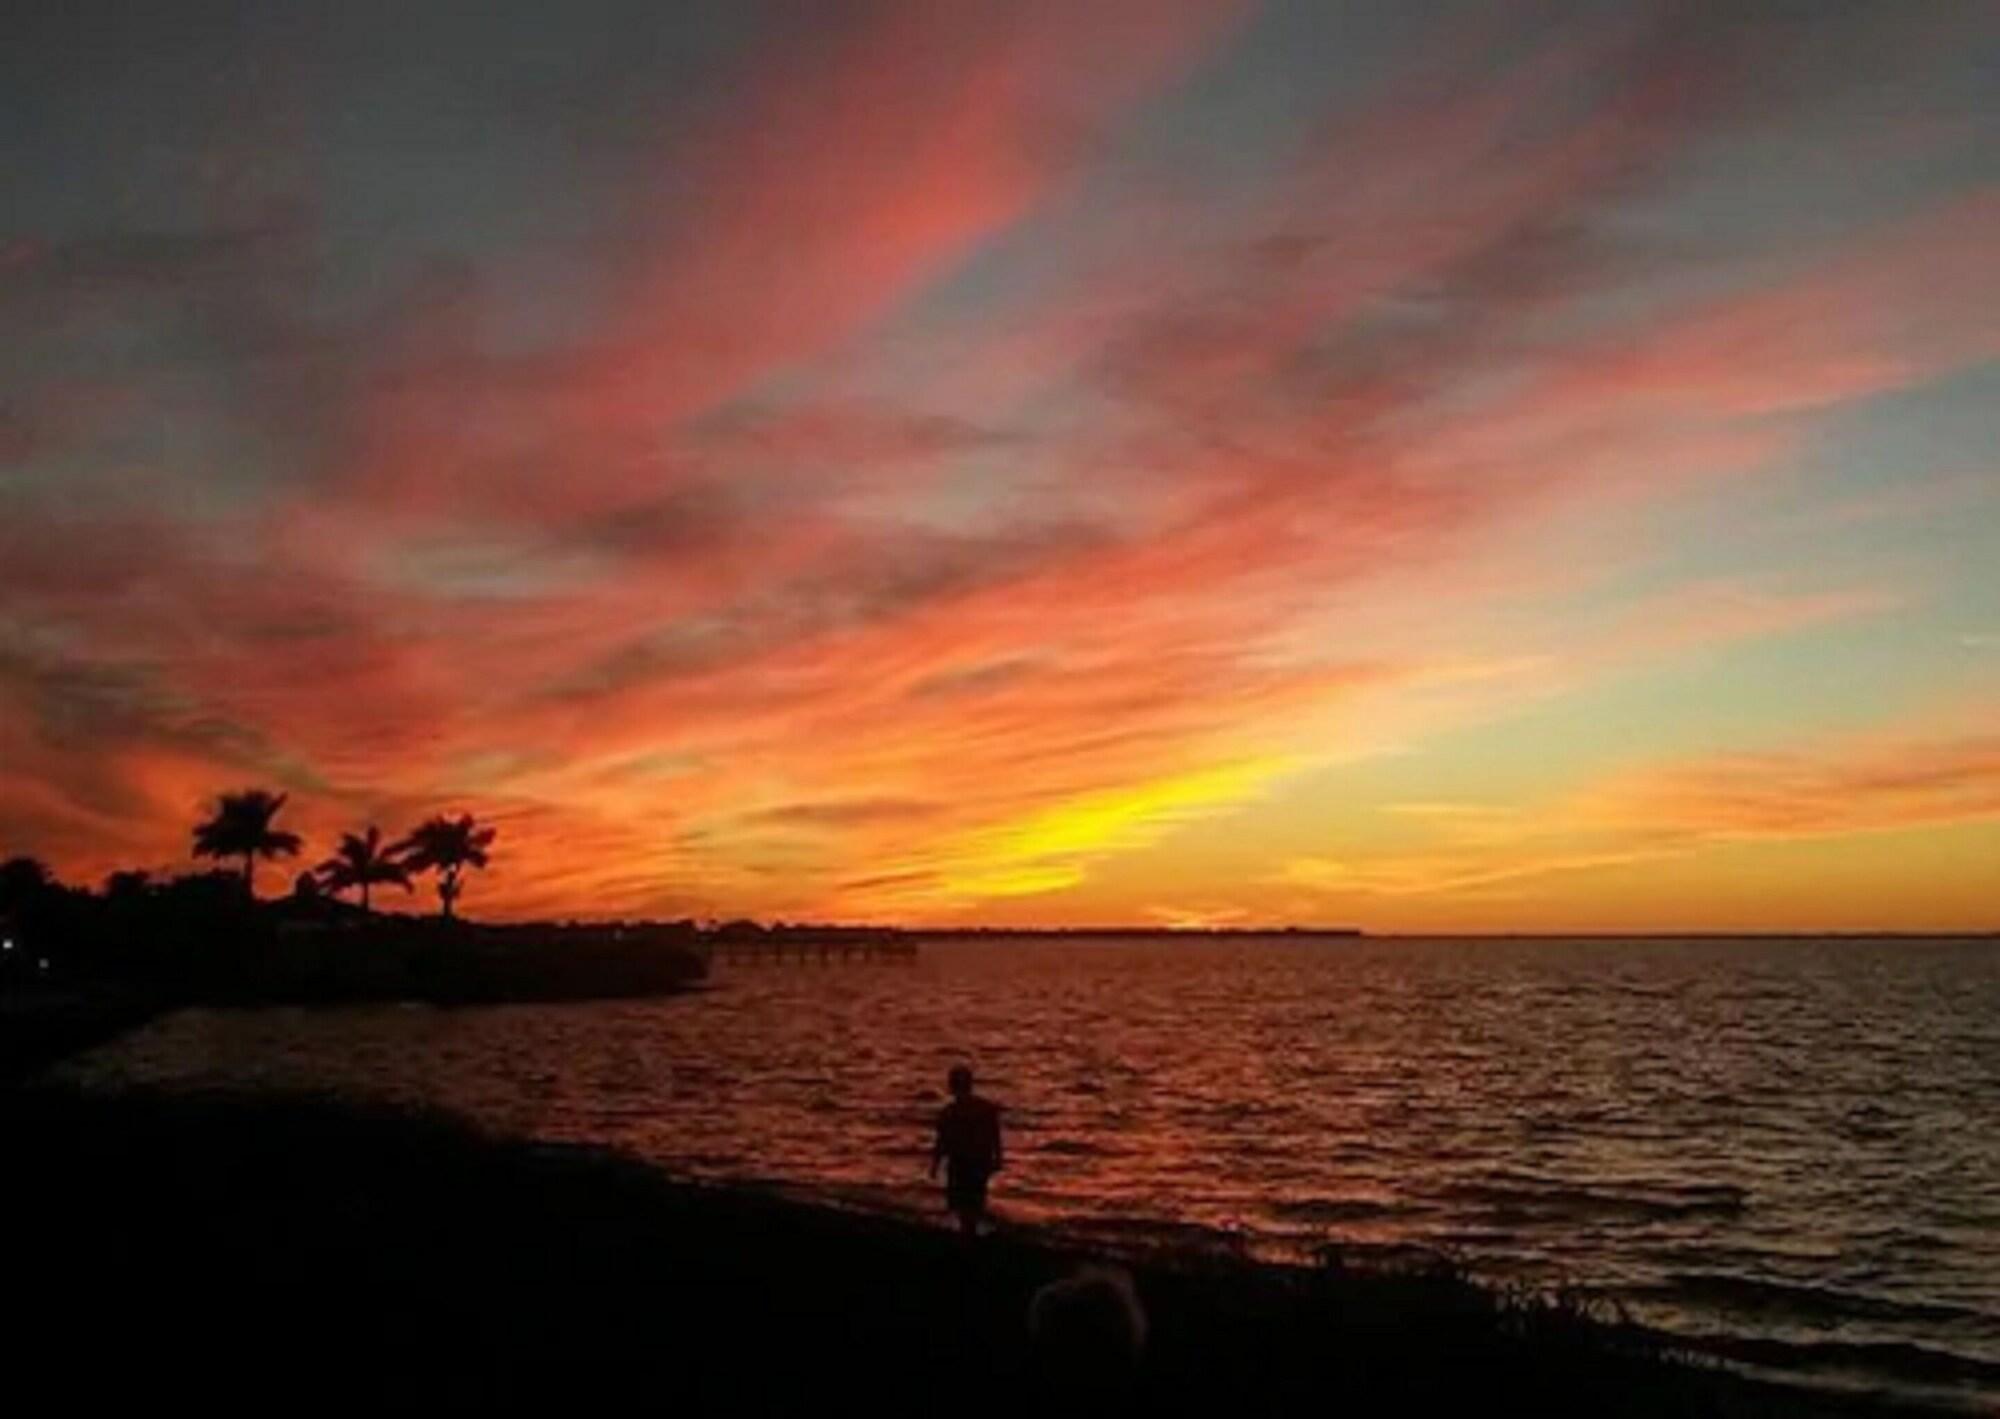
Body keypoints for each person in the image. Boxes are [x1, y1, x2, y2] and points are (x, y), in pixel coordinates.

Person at [929, 1064, 1003, 1235]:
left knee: (965, 1205)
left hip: (965, 1162)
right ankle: (970, 1233)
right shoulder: (984, 1108)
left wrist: (935, 1165)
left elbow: (942, 1142)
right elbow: (995, 1136)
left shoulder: (949, 1112)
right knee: (973, 1203)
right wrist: (998, 1158)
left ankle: (968, 1234)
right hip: (975, 1161)